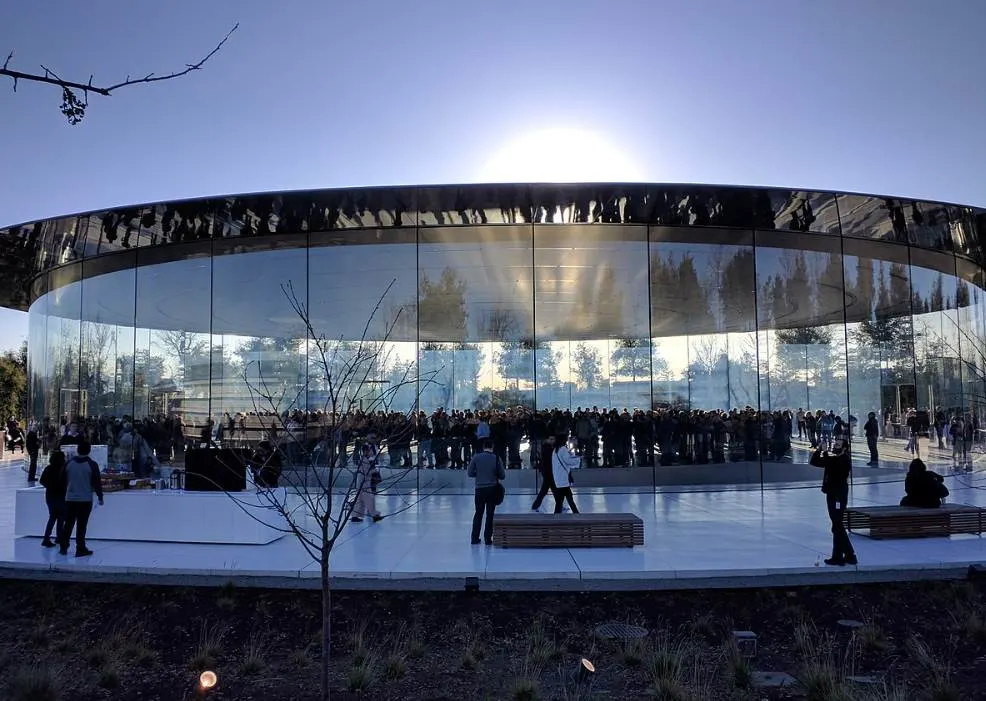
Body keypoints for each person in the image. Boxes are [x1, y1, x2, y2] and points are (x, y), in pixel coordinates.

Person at [810, 438, 857, 566]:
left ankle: (843, 556)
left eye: (838, 445)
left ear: (845, 448)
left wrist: (825, 452)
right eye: (835, 444)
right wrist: (819, 449)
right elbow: (814, 462)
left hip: (838, 496)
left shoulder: (844, 460)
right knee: (837, 526)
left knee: (837, 525)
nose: (835, 446)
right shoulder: (834, 459)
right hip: (831, 493)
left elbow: (832, 467)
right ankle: (845, 555)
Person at [59, 441, 104, 557]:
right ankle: (80, 548)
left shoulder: (69, 463)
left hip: (70, 498)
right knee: (81, 525)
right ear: (89, 451)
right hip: (85, 499)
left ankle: (63, 546)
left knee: (68, 524)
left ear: (77, 450)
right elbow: (97, 482)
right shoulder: (92, 464)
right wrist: (100, 496)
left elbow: (62, 480)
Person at [467, 438, 505, 545]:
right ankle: (488, 538)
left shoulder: (476, 457)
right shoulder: (496, 458)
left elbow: (469, 473)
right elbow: (503, 475)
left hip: (479, 489)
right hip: (492, 489)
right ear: (492, 447)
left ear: (483, 447)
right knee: (490, 514)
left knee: (478, 513)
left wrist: (478, 475)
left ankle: (474, 538)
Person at [38, 450, 67, 548]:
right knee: (61, 517)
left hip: (50, 496)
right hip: (60, 496)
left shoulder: (48, 468)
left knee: (53, 517)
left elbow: (42, 480)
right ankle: (59, 537)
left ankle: (47, 538)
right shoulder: (63, 469)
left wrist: (50, 486)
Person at [351, 441, 382, 523]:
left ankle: (355, 516)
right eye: (371, 450)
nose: (372, 452)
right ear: (367, 451)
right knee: (369, 499)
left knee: (359, 501)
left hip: (362, 483)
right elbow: (366, 472)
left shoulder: (365, 459)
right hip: (364, 484)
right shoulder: (365, 460)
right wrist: (375, 470)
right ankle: (375, 515)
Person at [551, 433, 580, 514]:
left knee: (560, 501)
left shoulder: (555, 449)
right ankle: (577, 515)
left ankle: (556, 518)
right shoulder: (563, 449)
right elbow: (568, 461)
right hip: (563, 479)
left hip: (558, 478)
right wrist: (578, 459)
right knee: (569, 500)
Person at [530, 436, 556, 513]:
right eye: (551, 439)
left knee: (548, 491)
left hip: (549, 472)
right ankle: (535, 506)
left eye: (553, 439)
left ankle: (535, 506)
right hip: (548, 473)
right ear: (547, 439)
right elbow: (547, 461)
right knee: (546, 491)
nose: (552, 441)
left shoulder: (550, 448)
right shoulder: (547, 448)